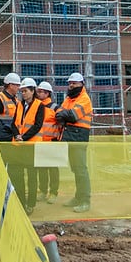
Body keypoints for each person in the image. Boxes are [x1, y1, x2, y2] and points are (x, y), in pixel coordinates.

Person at [55, 72, 92, 213]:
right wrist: (64, 115)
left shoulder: (84, 99)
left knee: (81, 169)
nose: (71, 85)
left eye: (74, 83)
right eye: (70, 83)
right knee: (75, 169)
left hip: (79, 136)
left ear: (81, 84)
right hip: (70, 135)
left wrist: (65, 115)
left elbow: (72, 116)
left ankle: (85, 200)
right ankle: (78, 197)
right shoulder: (69, 98)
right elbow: (59, 113)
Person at [8, 77, 45, 215]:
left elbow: (38, 125)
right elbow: (14, 123)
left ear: (32, 91)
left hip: (31, 146)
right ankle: (21, 201)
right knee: (17, 176)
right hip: (18, 146)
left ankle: (31, 204)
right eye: (21, 91)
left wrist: (24, 137)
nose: (23, 93)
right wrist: (18, 135)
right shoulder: (19, 105)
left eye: (25, 91)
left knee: (31, 176)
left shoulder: (39, 106)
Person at [35, 81, 61, 204]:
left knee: (53, 169)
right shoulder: (36, 106)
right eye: (38, 91)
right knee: (42, 169)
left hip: (52, 142)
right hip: (40, 142)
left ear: (47, 93)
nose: (39, 93)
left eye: (41, 92)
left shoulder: (55, 108)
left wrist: (58, 139)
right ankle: (43, 191)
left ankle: (54, 192)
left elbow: (61, 124)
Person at [0, 72, 20, 143]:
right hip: (0, 137)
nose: (19, 88)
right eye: (17, 85)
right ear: (11, 85)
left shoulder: (16, 100)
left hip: (11, 136)